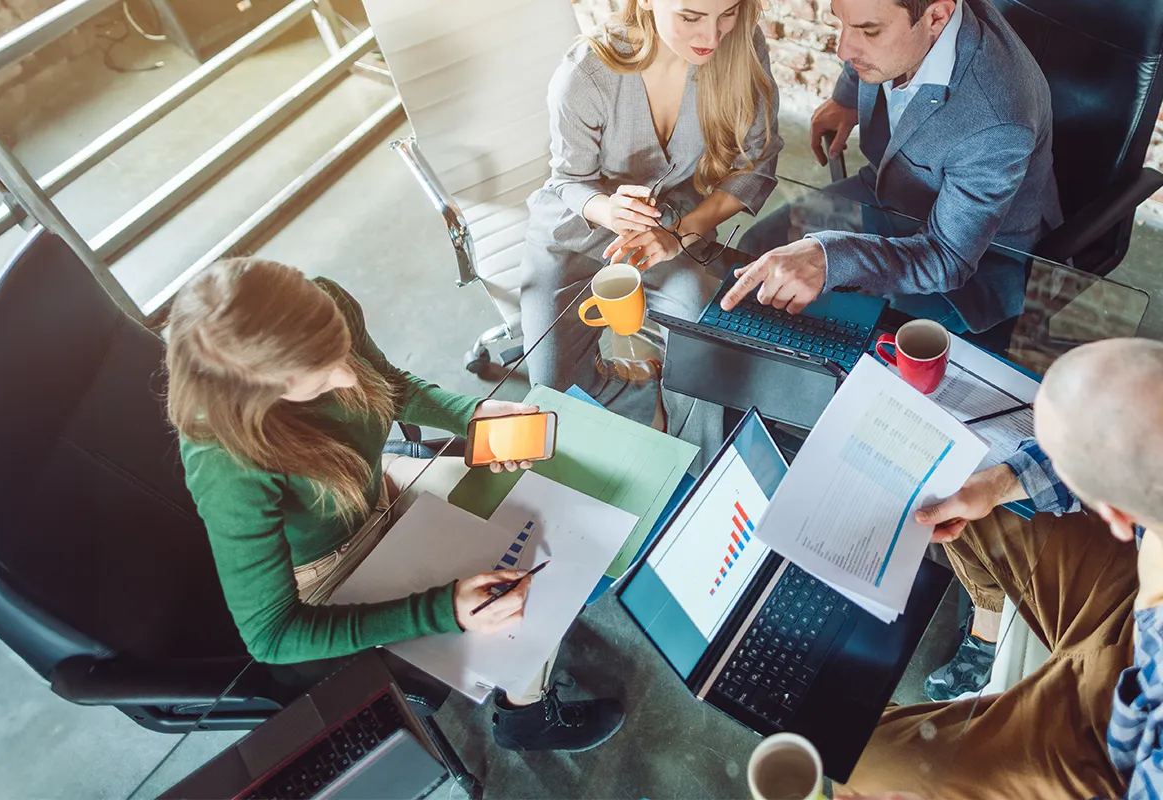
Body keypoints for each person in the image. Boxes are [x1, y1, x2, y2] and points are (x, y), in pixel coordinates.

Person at [166, 258, 626, 752]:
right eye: (321, 379)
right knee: (529, 602)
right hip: (329, 568)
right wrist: (441, 610)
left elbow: (387, 384)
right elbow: (272, 636)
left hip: (377, 490)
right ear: (259, 397)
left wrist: (471, 414)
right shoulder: (224, 462)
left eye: (342, 355)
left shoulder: (324, 301)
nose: (347, 379)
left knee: (547, 520)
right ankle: (527, 716)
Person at [845, 338, 1163, 798]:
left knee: (857, 768)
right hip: (1136, 609)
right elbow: (1113, 444)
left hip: (1121, 758)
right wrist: (995, 485)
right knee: (961, 497)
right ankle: (987, 631)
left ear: (1113, 514)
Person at [519, 0, 781, 434]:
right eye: (691, 17)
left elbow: (756, 167)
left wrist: (679, 234)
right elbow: (568, 181)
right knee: (553, 400)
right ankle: (649, 388)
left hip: (668, 228)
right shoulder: (586, 74)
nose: (712, 37)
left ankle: (698, 470)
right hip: (573, 233)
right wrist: (608, 207)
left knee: (703, 335)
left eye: (728, 12)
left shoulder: (741, 49)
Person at [727, 0, 1061, 335]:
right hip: (887, 189)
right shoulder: (901, 27)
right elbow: (862, 31)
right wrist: (845, 97)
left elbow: (946, 259)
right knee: (756, 250)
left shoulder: (998, 122)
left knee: (860, 339)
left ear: (937, 17)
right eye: (842, 23)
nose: (844, 50)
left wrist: (829, 258)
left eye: (869, 31)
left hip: (971, 264)